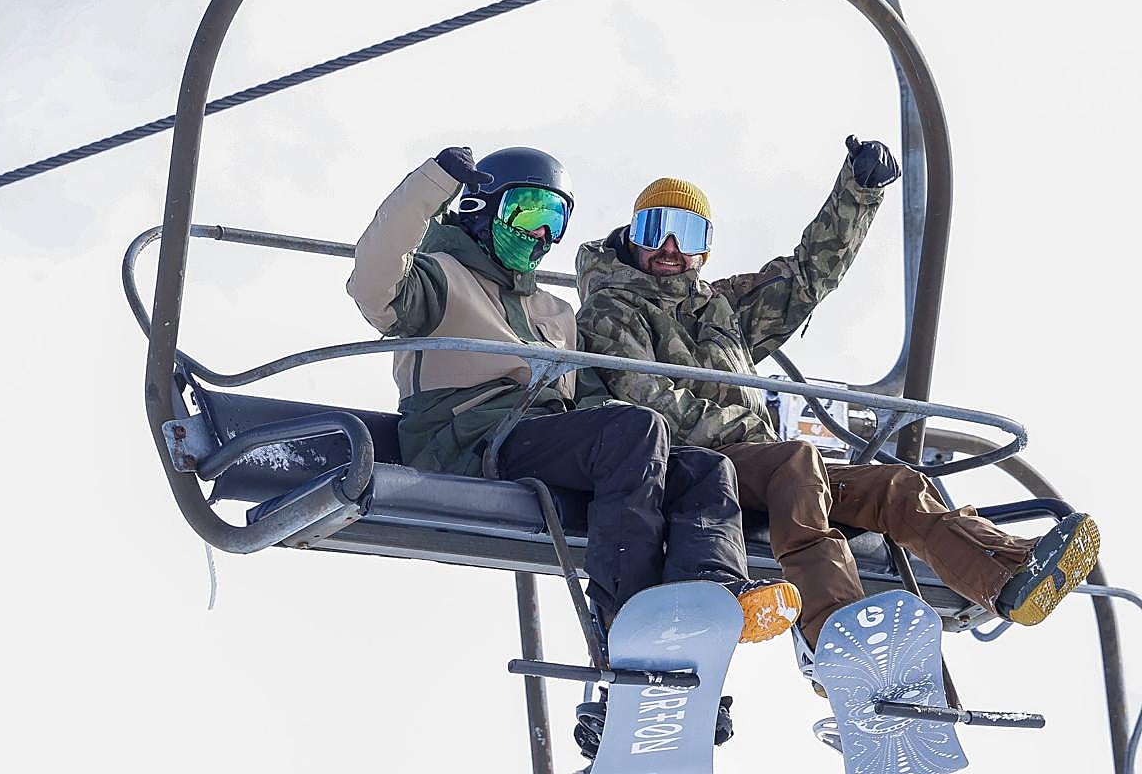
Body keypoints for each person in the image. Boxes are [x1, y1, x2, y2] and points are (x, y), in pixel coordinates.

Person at [574, 136, 1101, 694]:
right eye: (657, 230)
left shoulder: (720, 307)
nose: (672, 248)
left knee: (894, 484)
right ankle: (832, 632)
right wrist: (760, 444)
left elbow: (807, 276)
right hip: (688, 468)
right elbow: (649, 403)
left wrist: (858, 189)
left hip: (762, 465)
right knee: (798, 462)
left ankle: (1007, 576)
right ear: (633, 236)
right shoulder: (612, 308)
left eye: (691, 234)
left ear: (707, 248)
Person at [345, 145, 802, 649]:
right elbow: (372, 284)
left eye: (555, 218)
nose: (541, 234)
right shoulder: (441, 278)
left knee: (703, 468)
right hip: (471, 439)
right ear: (483, 205)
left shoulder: (553, 311)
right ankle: (626, 623)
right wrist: (430, 185)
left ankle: (709, 602)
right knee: (637, 430)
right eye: (530, 211)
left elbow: (589, 399)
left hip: (543, 439)